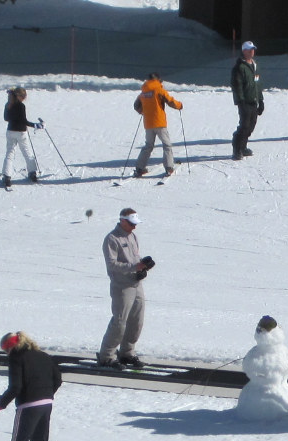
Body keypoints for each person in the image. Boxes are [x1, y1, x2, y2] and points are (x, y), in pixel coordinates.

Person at [97, 208, 155, 370]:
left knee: (137, 320)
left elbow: (135, 258)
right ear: (122, 221)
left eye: (135, 224)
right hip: (121, 286)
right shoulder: (111, 239)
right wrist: (134, 267)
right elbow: (112, 264)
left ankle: (127, 353)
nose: (134, 227)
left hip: (136, 284)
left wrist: (142, 269)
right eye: (131, 223)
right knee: (119, 322)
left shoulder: (132, 236)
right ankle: (106, 356)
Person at [133, 72, 183, 178]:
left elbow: (136, 105)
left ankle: (140, 168)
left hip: (148, 124)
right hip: (159, 123)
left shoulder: (143, 92)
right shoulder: (158, 90)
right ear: (158, 80)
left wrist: (143, 111)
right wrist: (179, 105)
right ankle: (169, 167)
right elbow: (170, 101)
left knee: (148, 146)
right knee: (167, 145)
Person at [1, 86, 42, 188]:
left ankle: (7, 177)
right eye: (24, 96)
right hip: (21, 132)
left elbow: (6, 118)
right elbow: (24, 121)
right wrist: (36, 125)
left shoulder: (8, 104)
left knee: (10, 153)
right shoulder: (21, 106)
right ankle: (32, 173)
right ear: (20, 96)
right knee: (27, 152)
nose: (25, 98)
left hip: (10, 131)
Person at [231, 41, 264, 161]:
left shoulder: (254, 66)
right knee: (244, 125)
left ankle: (243, 146)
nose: (251, 52)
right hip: (244, 101)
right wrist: (240, 101)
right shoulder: (240, 67)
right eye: (249, 50)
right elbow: (237, 85)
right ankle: (237, 148)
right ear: (244, 51)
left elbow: (257, 84)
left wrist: (261, 100)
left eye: (253, 49)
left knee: (251, 125)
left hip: (254, 100)